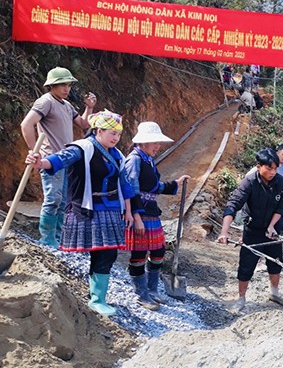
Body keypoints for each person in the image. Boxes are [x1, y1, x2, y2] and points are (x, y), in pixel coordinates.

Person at [25, 110, 134, 317]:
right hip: (90, 207)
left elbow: (125, 183)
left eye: (118, 134)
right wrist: (41, 163)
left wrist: (128, 210)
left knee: (109, 253)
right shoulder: (83, 148)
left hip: (111, 209)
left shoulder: (117, 154)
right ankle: (96, 299)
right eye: (111, 133)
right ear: (98, 131)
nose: (115, 138)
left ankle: (98, 297)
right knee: (100, 251)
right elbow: (60, 160)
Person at [20, 67, 97, 248]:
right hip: (50, 159)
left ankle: (59, 239)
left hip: (65, 159)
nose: (66, 89)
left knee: (63, 201)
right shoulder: (45, 102)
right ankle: (47, 240)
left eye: (68, 85)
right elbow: (26, 124)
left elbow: (84, 124)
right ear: (52, 85)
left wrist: (89, 107)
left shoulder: (66, 105)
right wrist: (34, 151)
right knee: (53, 199)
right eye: (62, 85)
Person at [124, 122, 190, 311]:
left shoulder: (148, 160)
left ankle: (152, 289)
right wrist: (136, 217)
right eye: (155, 142)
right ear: (144, 142)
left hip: (151, 211)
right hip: (141, 212)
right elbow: (132, 190)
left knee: (158, 250)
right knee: (138, 253)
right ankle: (141, 294)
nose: (158, 146)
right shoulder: (134, 160)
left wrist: (175, 184)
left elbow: (155, 186)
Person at [217, 148, 283, 312]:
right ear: (259, 167)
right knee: (246, 265)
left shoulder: (280, 182)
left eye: (275, 169)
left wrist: (272, 226)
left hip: (273, 228)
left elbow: (281, 207)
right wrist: (224, 232)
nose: (272, 172)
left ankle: (275, 293)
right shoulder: (249, 182)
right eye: (269, 168)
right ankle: (241, 298)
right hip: (253, 229)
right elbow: (232, 205)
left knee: (275, 262)